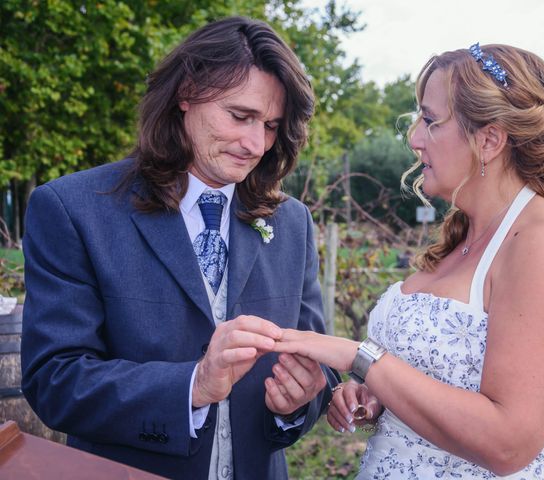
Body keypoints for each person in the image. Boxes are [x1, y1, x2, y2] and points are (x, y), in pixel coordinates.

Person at [21, 16, 339, 480]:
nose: (255, 144)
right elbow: (54, 380)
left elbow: (319, 365)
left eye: (270, 126)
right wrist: (192, 386)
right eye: (240, 115)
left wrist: (299, 402)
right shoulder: (72, 209)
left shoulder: (291, 222)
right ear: (185, 94)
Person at [273, 43, 544, 479]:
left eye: (430, 121)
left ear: (488, 139)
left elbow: (508, 443)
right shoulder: (462, 237)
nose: (414, 138)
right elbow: (438, 382)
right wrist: (374, 396)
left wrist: (360, 357)